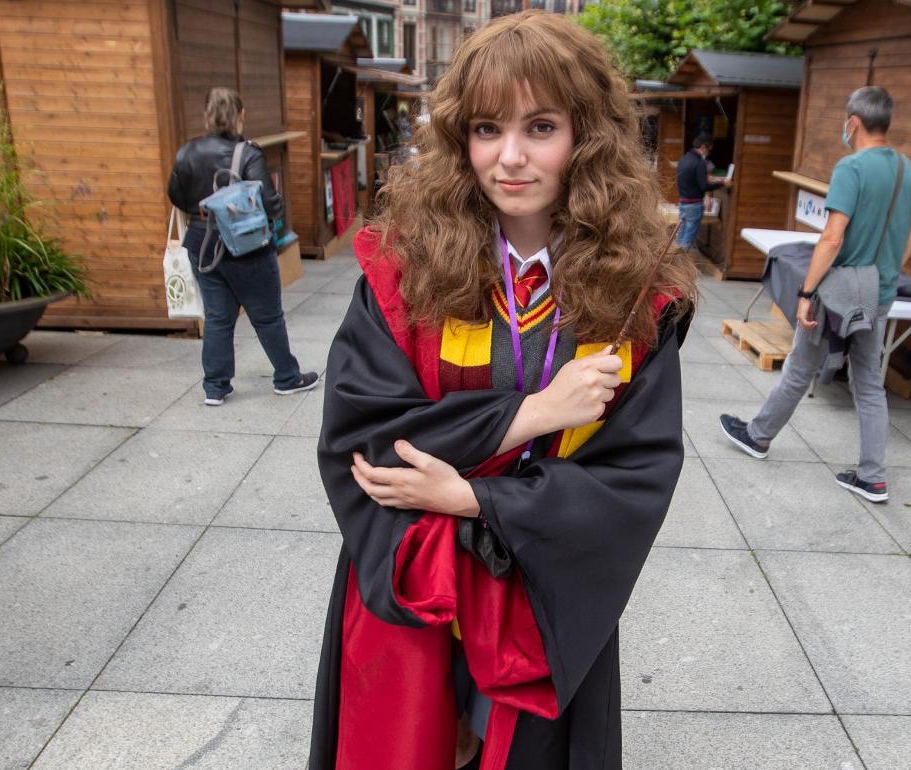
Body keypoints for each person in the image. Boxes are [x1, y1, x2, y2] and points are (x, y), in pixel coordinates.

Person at [307, 11, 696, 770]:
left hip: (540, 602)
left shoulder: (633, 301)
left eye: (541, 127)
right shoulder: (405, 275)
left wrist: (477, 499)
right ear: (461, 142)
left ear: (586, 138)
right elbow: (365, 441)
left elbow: (635, 479)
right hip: (409, 587)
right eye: (487, 129)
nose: (510, 158)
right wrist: (535, 414)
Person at [719, 86, 911, 503]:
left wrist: (807, 291)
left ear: (853, 123)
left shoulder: (852, 168)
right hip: (878, 294)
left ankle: (758, 437)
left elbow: (831, 239)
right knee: (868, 384)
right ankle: (873, 477)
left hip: (841, 292)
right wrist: (882, 273)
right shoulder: (907, 170)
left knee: (800, 367)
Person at [167, 87, 318, 405]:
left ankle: (215, 387)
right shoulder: (247, 153)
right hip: (246, 246)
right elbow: (267, 201)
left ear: (206, 116)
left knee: (218, 316)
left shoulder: (187, 151)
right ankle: (287, 377)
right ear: (241, 115)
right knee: (267, 316)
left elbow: (176, 195)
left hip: (202, 242)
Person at [674, 132, 731, 250]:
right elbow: (703, 186)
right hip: (694, 205)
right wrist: (722, 183)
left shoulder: (684, 159)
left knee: (680, 236)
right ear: (704, 146)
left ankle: (673, 263)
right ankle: (680, 264)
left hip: (683, 202)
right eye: (709, 149)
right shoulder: (699, 163)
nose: (709, 153)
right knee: (687, 239)